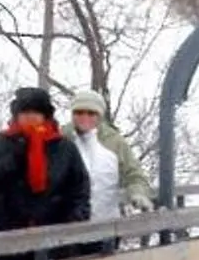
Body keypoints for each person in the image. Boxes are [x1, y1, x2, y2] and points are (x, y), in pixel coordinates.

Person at [0, 87, 92, 251]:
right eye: (25, 112)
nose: (30, 117)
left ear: (45, 116)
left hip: (55, 237)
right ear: (16, 114)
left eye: (36, 112)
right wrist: (13, 159)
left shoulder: (63, 147)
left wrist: (75, 220)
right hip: (7, 236)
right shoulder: (0, 142)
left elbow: (80, 187)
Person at [64, 88, 154, 219]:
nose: (84, 117)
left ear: (99, 116)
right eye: (79, 112)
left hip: (106, 224)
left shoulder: (115, 142)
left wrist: (137, 194)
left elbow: (134, 175)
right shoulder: (60, 140)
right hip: (66, 227)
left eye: (91, 113)